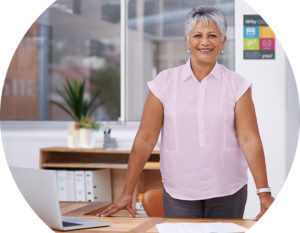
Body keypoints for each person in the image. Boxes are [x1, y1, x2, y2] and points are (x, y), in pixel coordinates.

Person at [97, 5, 274, 220]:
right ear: (187, 41)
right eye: (197, 35)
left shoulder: (238, 85)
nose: (205, 42)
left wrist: (264, 192)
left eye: (213, 36)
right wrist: (127, 193)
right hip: (179, 192)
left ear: (223, 42)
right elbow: (145, 139)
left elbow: (250, 140)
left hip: (229, 191)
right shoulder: (163, 83)